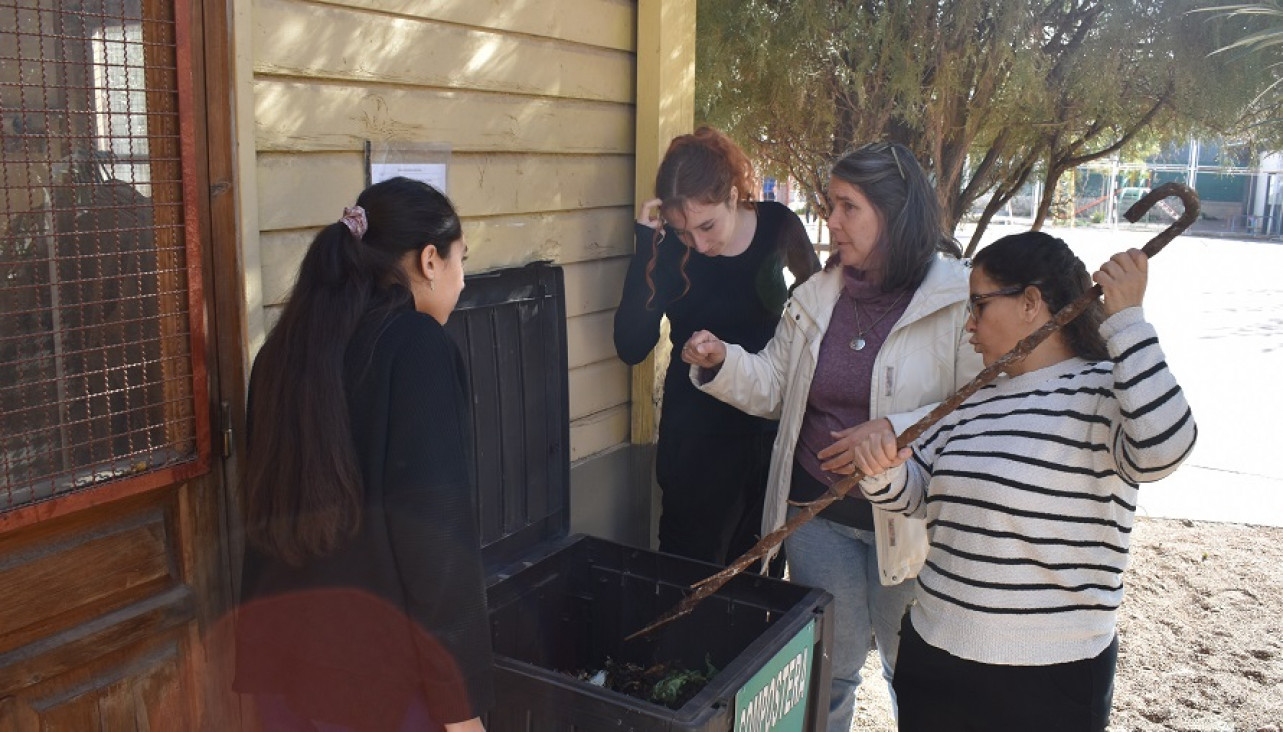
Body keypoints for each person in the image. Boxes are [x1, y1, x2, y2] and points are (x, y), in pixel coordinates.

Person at [680, 142, 983, 731]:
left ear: (893, 213)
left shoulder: (957, 298)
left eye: (847, 207)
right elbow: (775, 385)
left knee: (914, 673)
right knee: (830, 671)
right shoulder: (819, 294)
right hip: (818, 517)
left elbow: (977, 409)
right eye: (829, 206)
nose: (831, 222)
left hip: (913, 526)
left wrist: (894, 430)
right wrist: (722, 363)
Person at [852, 231, 1198, 731]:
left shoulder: (1105, 389)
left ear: (1031, 302)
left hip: (1049, 679)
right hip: (936, 657)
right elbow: (920, 496)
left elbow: (1165, 450)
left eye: (979, 306)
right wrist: (882, 471)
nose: (969, 326)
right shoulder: (975, 399)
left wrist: (1128, 321)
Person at [234, 177, 493, 732]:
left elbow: (263, 520)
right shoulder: (417, 347)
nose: (463, 279)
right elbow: (435, 541)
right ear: (429, 260)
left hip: (287, 677)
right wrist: (462, 707)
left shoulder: (277, 356)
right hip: (384, 691)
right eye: (460, 260)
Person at [613, 126, 821, 571]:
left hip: (769, 437)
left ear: (732, 195)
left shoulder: (779, 228)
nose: (701, 246)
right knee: (689, 581)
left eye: (707, 226)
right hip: (696, 445)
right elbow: (631, 344)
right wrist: (648, 243)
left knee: (757, 579)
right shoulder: (669, 248)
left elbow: (821, 317)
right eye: (685, 232)